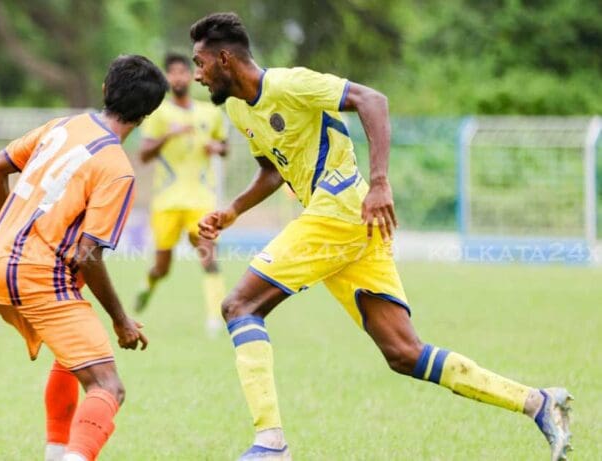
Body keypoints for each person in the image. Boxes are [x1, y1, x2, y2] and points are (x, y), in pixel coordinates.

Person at [189, 12, 572, 461]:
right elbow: (272, 170)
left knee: (239, 306)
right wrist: (231, 211)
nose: (196, 75)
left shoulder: (291, 83)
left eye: (199, 63)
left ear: (225, 58)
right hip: (347, 223)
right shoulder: (237, 106)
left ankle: (270, 444)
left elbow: (374, 100)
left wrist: (381, 182)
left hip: (343, 209)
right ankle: (537, 402)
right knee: (404, 353)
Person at [0, 55, 167, 461]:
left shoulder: (62, 126)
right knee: (107, 386)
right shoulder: (117, 168)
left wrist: (15, 233)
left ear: (104, 89)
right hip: (36, 274)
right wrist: (121, 319)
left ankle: (55, 453)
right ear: (148, 113)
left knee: (74, 354)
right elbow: (88, 255)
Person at [134, 52, 229, 336]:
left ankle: (215, 317)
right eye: (172, 72)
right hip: (166, 201)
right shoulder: (159, 113)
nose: (178, 77)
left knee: (208, 255)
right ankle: (147, 287)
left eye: (182, 72)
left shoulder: (210, 112)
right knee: (162, 268)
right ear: (167, 77)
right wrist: (169, 135)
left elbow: (224, 147)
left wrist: (217, 148)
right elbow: (145, 154)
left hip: (201, 199)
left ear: (190, 75)